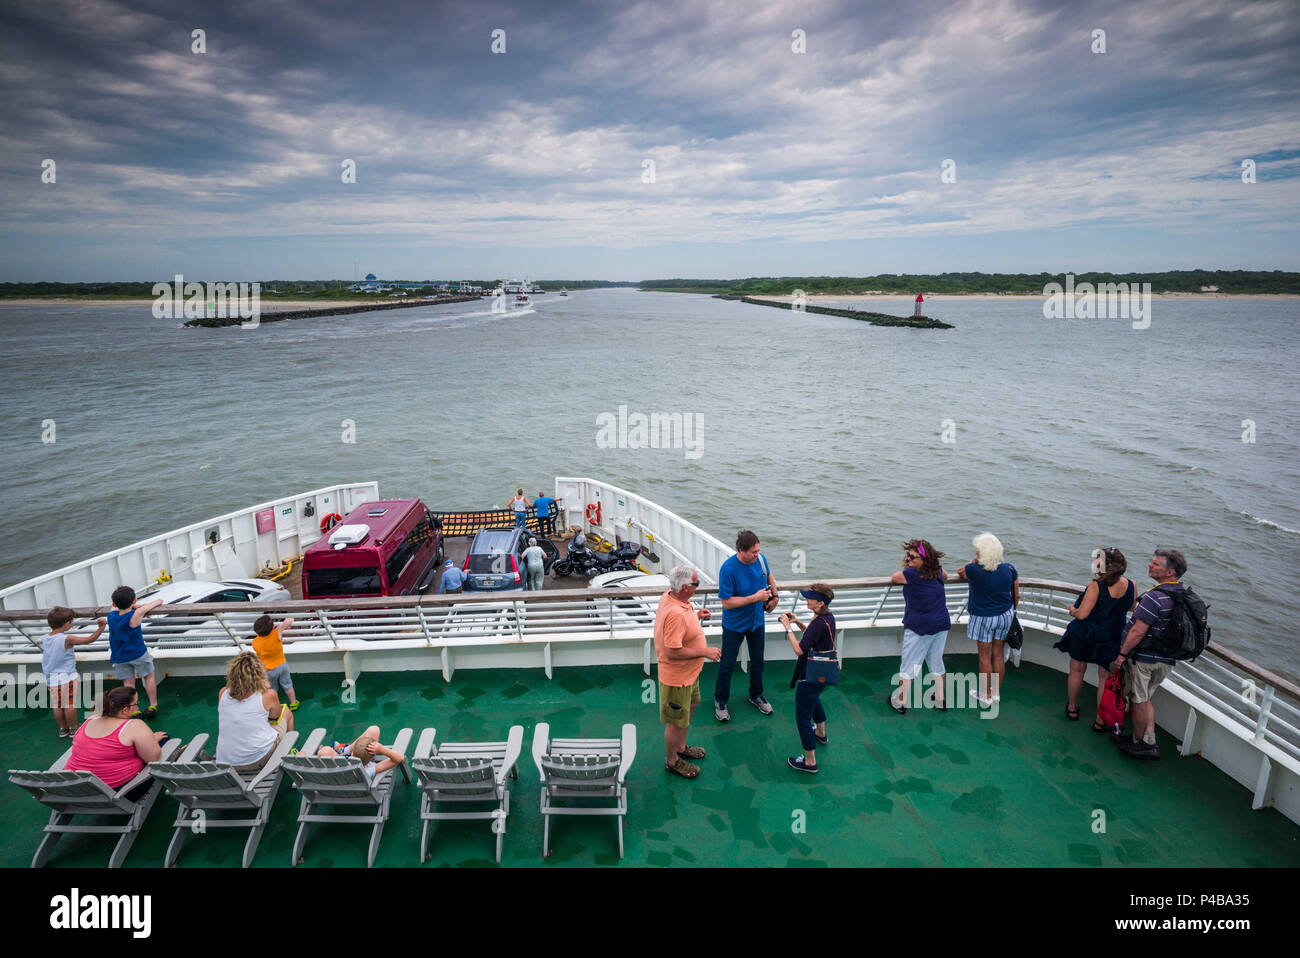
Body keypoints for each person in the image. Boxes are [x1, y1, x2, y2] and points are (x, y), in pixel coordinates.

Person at [1108, 550, 1189, 760]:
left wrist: (1121, 655)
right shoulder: (1181, 594)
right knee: (1145, 698)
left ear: (1170, 572)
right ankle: (1149, 739)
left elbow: (1137, 631)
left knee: (1137, 700)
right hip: (1166, 659)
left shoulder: (1155, 597)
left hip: (1145, 659)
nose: (1150, 565)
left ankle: (1139, 743)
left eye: (1156, 564)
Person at [1054, 548, 1135, 728]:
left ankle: (1073, 707)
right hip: (1112, 636)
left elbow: (1082, 614)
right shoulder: (1131, 585)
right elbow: (1131, 606)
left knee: (1077, 670)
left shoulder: (1096, 587)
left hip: (1087, 634)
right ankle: (1100, 720)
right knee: (1105, 678)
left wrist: (1072, 610)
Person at [655, 565, 721, 778]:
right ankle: (672, 761)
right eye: (696, 584)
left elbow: (682, 626)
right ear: (684, 587)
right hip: (677, 679)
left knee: (692, 706)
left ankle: (681, 748)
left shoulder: (674, 598)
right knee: (675, 723)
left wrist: (696, 617)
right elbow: (672, 652)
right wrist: (706, 652)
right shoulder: (675, 613)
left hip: (690, 674)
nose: (698, 587)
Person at [714, 530, 780, 720]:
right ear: (741, 550)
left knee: (758, 661)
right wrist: (755, 598)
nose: (757, 555)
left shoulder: (760, 560)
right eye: (753, 552)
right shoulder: (728, 569)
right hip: (734, 625)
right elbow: (726, 602)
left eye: (758, 551)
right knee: (727, 664)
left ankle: (756, 695)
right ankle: (720, 700)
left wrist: (775, 596)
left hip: (757, 621)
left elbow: (769, 577)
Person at [64, 686, 168, 800]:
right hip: (118, 792)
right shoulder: (135, 725)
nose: (138, 706)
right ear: (125, 710)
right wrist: (152, 740)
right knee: (163, 739)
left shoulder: (91, 719)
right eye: (136, 704)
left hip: (75, 787)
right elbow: (152, 758)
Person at [956, 533, 1019, 706]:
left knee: (984, 657)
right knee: (998, 653)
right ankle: (996, 693)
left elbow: (960, 571)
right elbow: (1017, 595)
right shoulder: (1009, 569)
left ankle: (985, 694)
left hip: (984, 618)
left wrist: (975, 560)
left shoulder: (974, 570)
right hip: (1005, 615)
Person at [888, 540, 950, 714]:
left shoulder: (912, 574)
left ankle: (900, 701)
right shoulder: (937, 571)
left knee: (908, 665)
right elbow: (945, 575)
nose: (909, 559)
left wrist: (910, 567)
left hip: (920, 626)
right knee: (936, 662)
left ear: (924, 559)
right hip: (941, 623)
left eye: (913, 557)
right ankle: (940, 699)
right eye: (908, 556)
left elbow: (895, 577)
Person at [781, 584, 836, 774]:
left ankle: (810, 762)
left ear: (820, 603)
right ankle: (820, 732)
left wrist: (788, 628)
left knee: (803, 718)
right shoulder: (827, 617)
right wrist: (796, 622)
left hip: (809, 674)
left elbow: (799, 649)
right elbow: (813, 636)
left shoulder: (819, 622)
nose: (806, 599)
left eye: (809, 598)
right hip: (822, 673)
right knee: (814, 699)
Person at [215, 651, 293, 776]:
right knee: (287, 712)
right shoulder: (268, 695)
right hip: (258, 759)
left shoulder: (223, 693)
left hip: (226, 762)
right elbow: (275, 716)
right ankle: (289, 750)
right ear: (259, 673)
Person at [42, 607, 105, 737]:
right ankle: (74, 728)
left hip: (51, 678)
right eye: (71, 622)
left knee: (58, 705)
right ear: (66, 624)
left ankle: (63, 729)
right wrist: (101, 627)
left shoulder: (45, 638)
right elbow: (89, 640)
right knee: (69, 704)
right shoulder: (67, 639)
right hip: (66, 677)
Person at [107, 586, 163, 719]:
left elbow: (114, 607)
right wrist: (138, 606)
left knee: (128, 684)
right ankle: (152, 705)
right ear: (134, 600)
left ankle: (134, 709)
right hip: (138, 653)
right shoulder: (136, 614)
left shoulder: (111, 616)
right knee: (148, 677)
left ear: (115, 603)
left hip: (120, 656)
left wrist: (133, 605)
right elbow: (159, 600)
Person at [317, 726, 406, 781]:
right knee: (374, 729)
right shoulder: (370, 769)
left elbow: (322, 753)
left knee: (325, 750)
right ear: (372, 758)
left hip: (340, 777)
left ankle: (345, 750)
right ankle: (345, 750)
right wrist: (381, 749)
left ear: (352, 754)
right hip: (359, 787)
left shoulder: (341, 763)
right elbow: (400, 758)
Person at [252, 613, 299, 711]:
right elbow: (288, 622)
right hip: (282, 665)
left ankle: (275, 704)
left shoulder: (255, 642)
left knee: (272, 688)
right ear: (271, 628)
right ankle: (293, 703)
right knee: (287, 684)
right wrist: (288, 619)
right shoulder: (277, 634)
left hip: (268, 670)